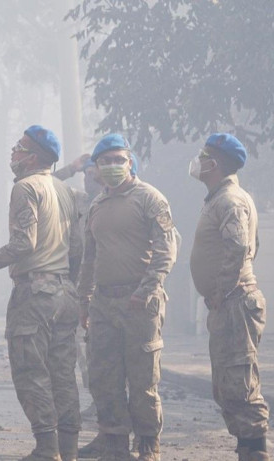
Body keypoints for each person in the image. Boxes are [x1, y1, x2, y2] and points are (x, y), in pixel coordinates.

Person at [0, 125, 82, 461]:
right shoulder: (64, 190)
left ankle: (47, 449)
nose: (14, 152)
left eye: (20, 146)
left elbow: (24, 243)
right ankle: (69, 449)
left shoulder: (25, 188)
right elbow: (76, 245)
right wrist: (69, 280)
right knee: (63, 374)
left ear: (32, 156)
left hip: (35, 294)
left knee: (31, 372)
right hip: (65, 291)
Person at [78, 134, 177, 461]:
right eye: (104, 161)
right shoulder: (97, 205)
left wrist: (145, 290)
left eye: (118, 159)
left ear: (130, 162)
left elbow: (166, 251)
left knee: (143, 378)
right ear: (95, 170)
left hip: (140, 303)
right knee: (103, 376)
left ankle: (148, 443)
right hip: (103, 303)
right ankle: (114, 440)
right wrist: (84, 301)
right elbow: (89, 259)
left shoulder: (150, 199)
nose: (112, 166)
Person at [189, 134, 270, 461]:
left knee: (240, 382)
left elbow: (240, 247)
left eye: (203, 155)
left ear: (215, 163)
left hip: (235, 301)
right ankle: (246, 450)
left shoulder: (231, 200)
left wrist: (221, 289)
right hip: (229, 301)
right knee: (227, 385)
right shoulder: (219, 198)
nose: (198, 160)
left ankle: (256, 452)